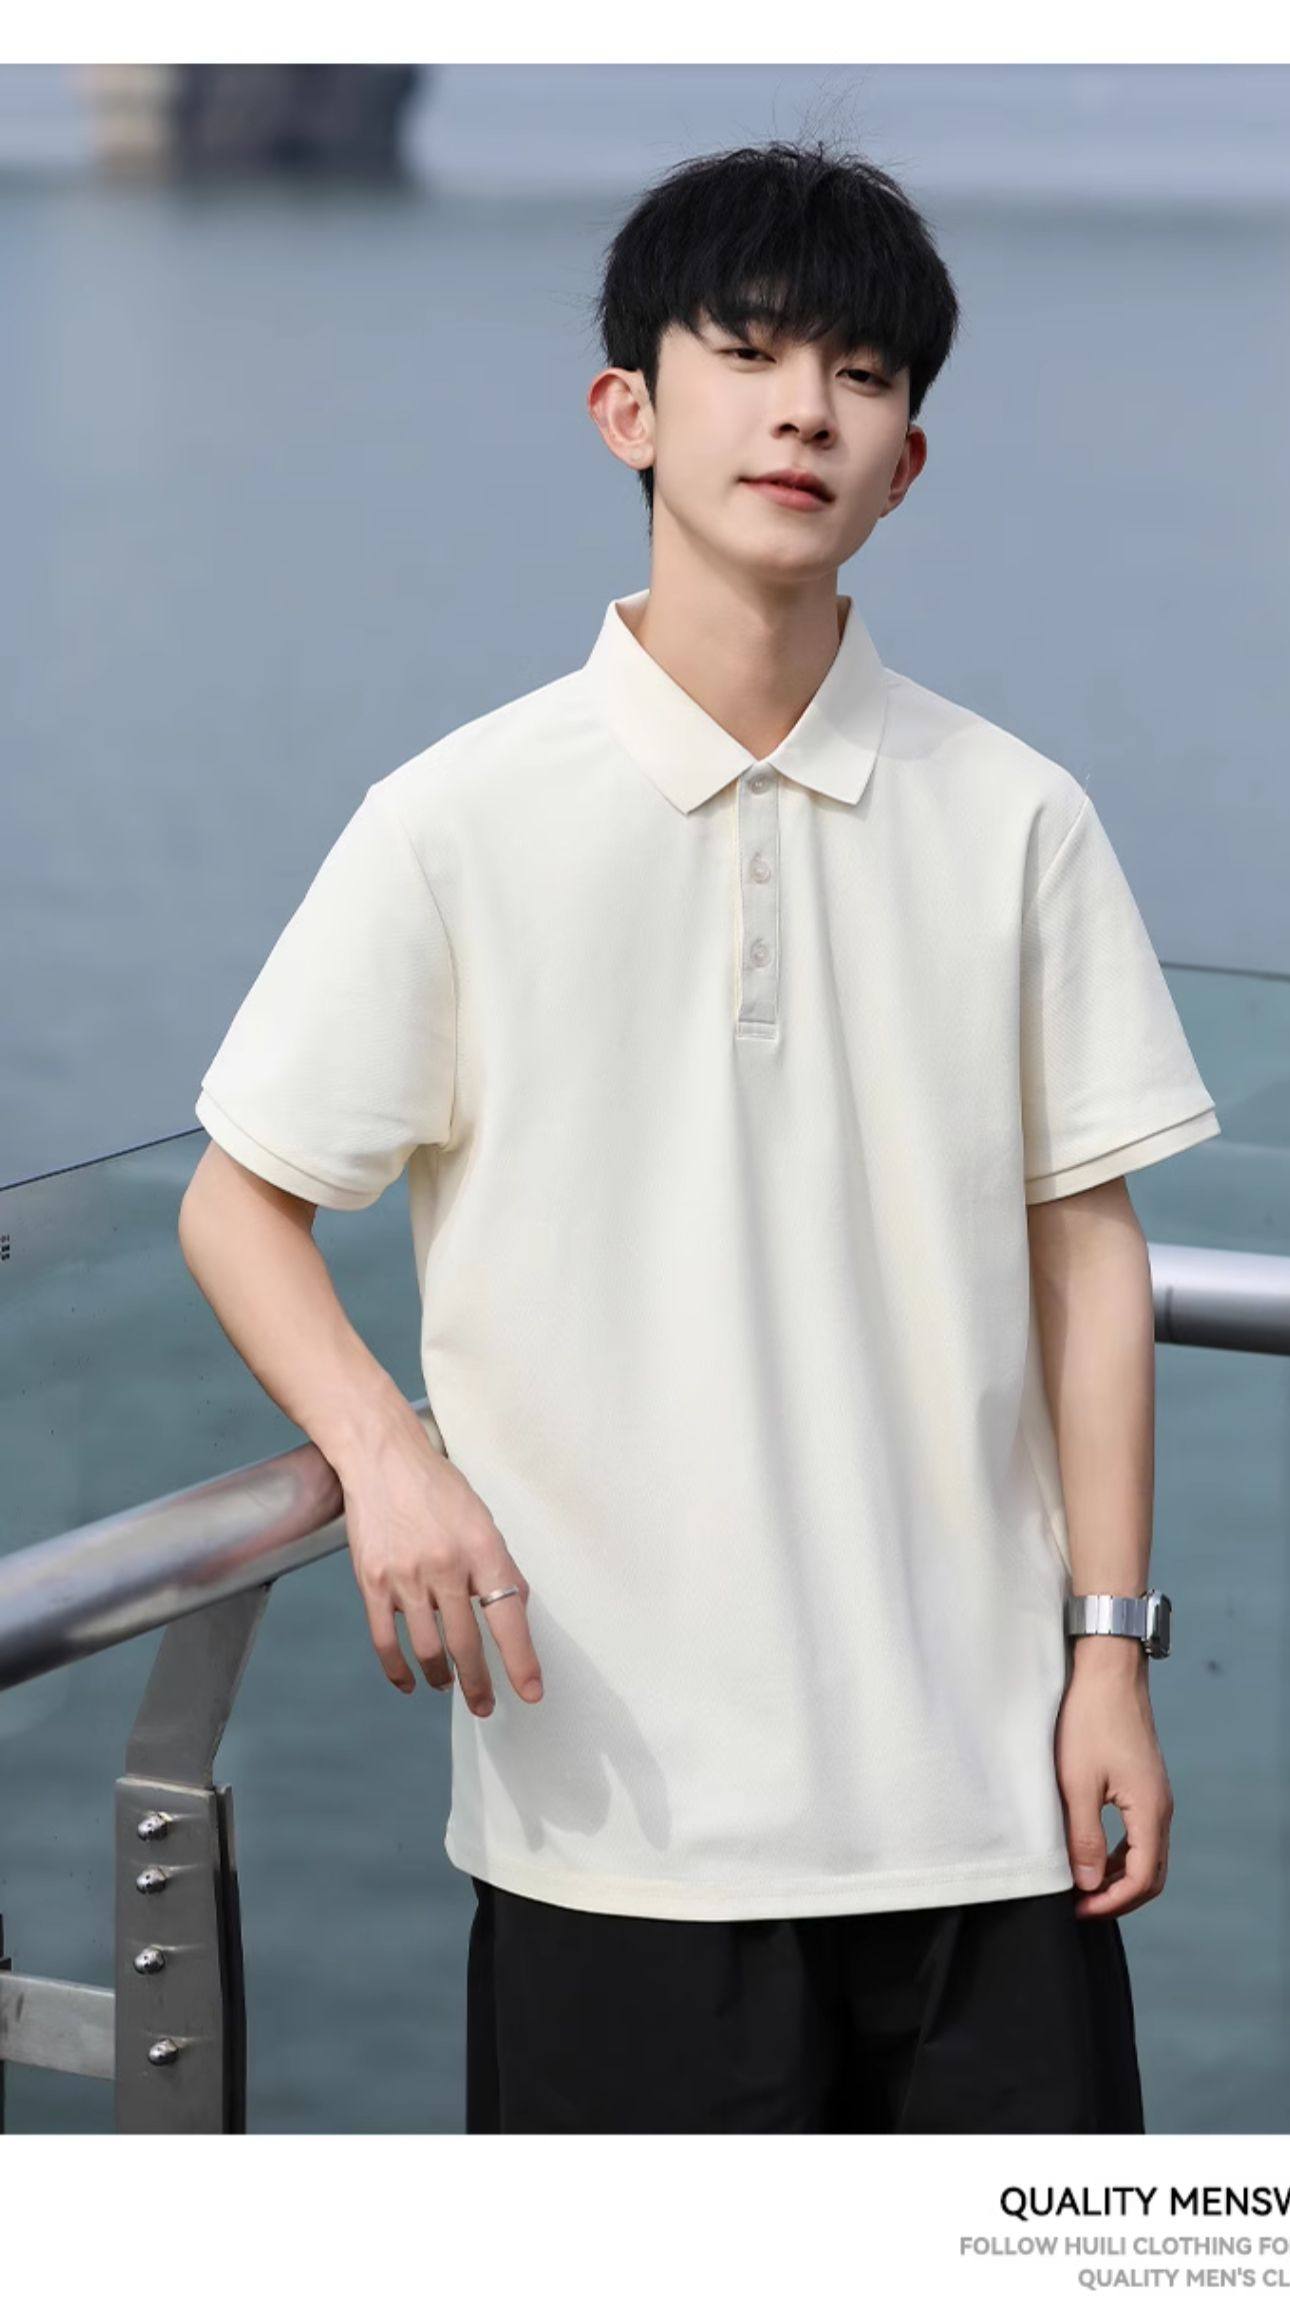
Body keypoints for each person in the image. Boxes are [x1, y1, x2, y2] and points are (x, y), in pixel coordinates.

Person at [180, 137, 1221, 2135]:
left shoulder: (1018, 818)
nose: (805, 409)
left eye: (861, 373)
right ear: (628, 412)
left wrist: (1110, 1655)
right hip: (611, 1828)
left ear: (909, 463)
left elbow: (1088, 1257)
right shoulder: (457, 821)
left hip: (986, 1803)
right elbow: (243, 1203)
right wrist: (386, 1460)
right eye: (748, 353)